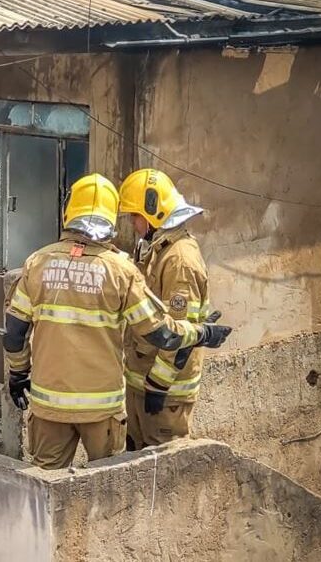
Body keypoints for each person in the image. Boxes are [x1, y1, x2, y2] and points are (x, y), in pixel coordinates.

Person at [2, 173, 231, 469]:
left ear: (68, 210)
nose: (133, 224)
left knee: (44, 489)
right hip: (103, 411)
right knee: (110, 489)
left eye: (135, 216)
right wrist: (202, 333)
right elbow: (161, 333)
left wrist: (19, 374)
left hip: (49, 408)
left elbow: (14, 333)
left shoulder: (37, 263)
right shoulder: (121, 270)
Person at [119, 168, 213, 449]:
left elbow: (179, 332)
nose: (133, 224)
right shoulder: (156, 249)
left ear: (153, 213)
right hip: (143, 382)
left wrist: (159, 385)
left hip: (166, 394)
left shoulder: (179, 260)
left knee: (160, 469)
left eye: (135, 216)